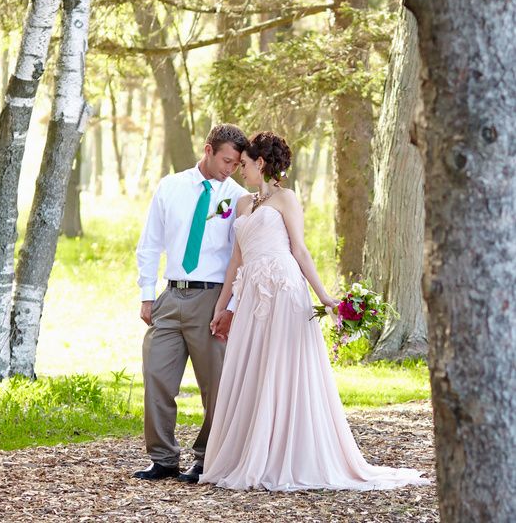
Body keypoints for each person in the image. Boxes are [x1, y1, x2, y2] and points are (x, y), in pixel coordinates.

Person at [199, 131, 429, 491]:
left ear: (260, 163)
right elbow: (236, 260)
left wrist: (324, 297)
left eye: (244, 164)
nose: (241, 171)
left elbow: (300, 251)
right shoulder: (244, 204)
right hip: (251, 294)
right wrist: (222, 305)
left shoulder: (286, 199)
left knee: (282, 368)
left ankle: (283, 455)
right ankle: (251, 450)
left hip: (284, 291)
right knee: (254, 368)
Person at [133, 125, 248, 483]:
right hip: (171, 295)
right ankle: (164, 458)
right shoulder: (171, 187)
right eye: (226, 160)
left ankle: (206, 458)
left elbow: (241, 257)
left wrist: (229, 306)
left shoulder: (239, 198)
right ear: (208, 149)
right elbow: (150, 242)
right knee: (156, 375)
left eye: (237, 163)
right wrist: (147, 293)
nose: (230, 168)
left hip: (213, 298)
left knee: (216, 385)